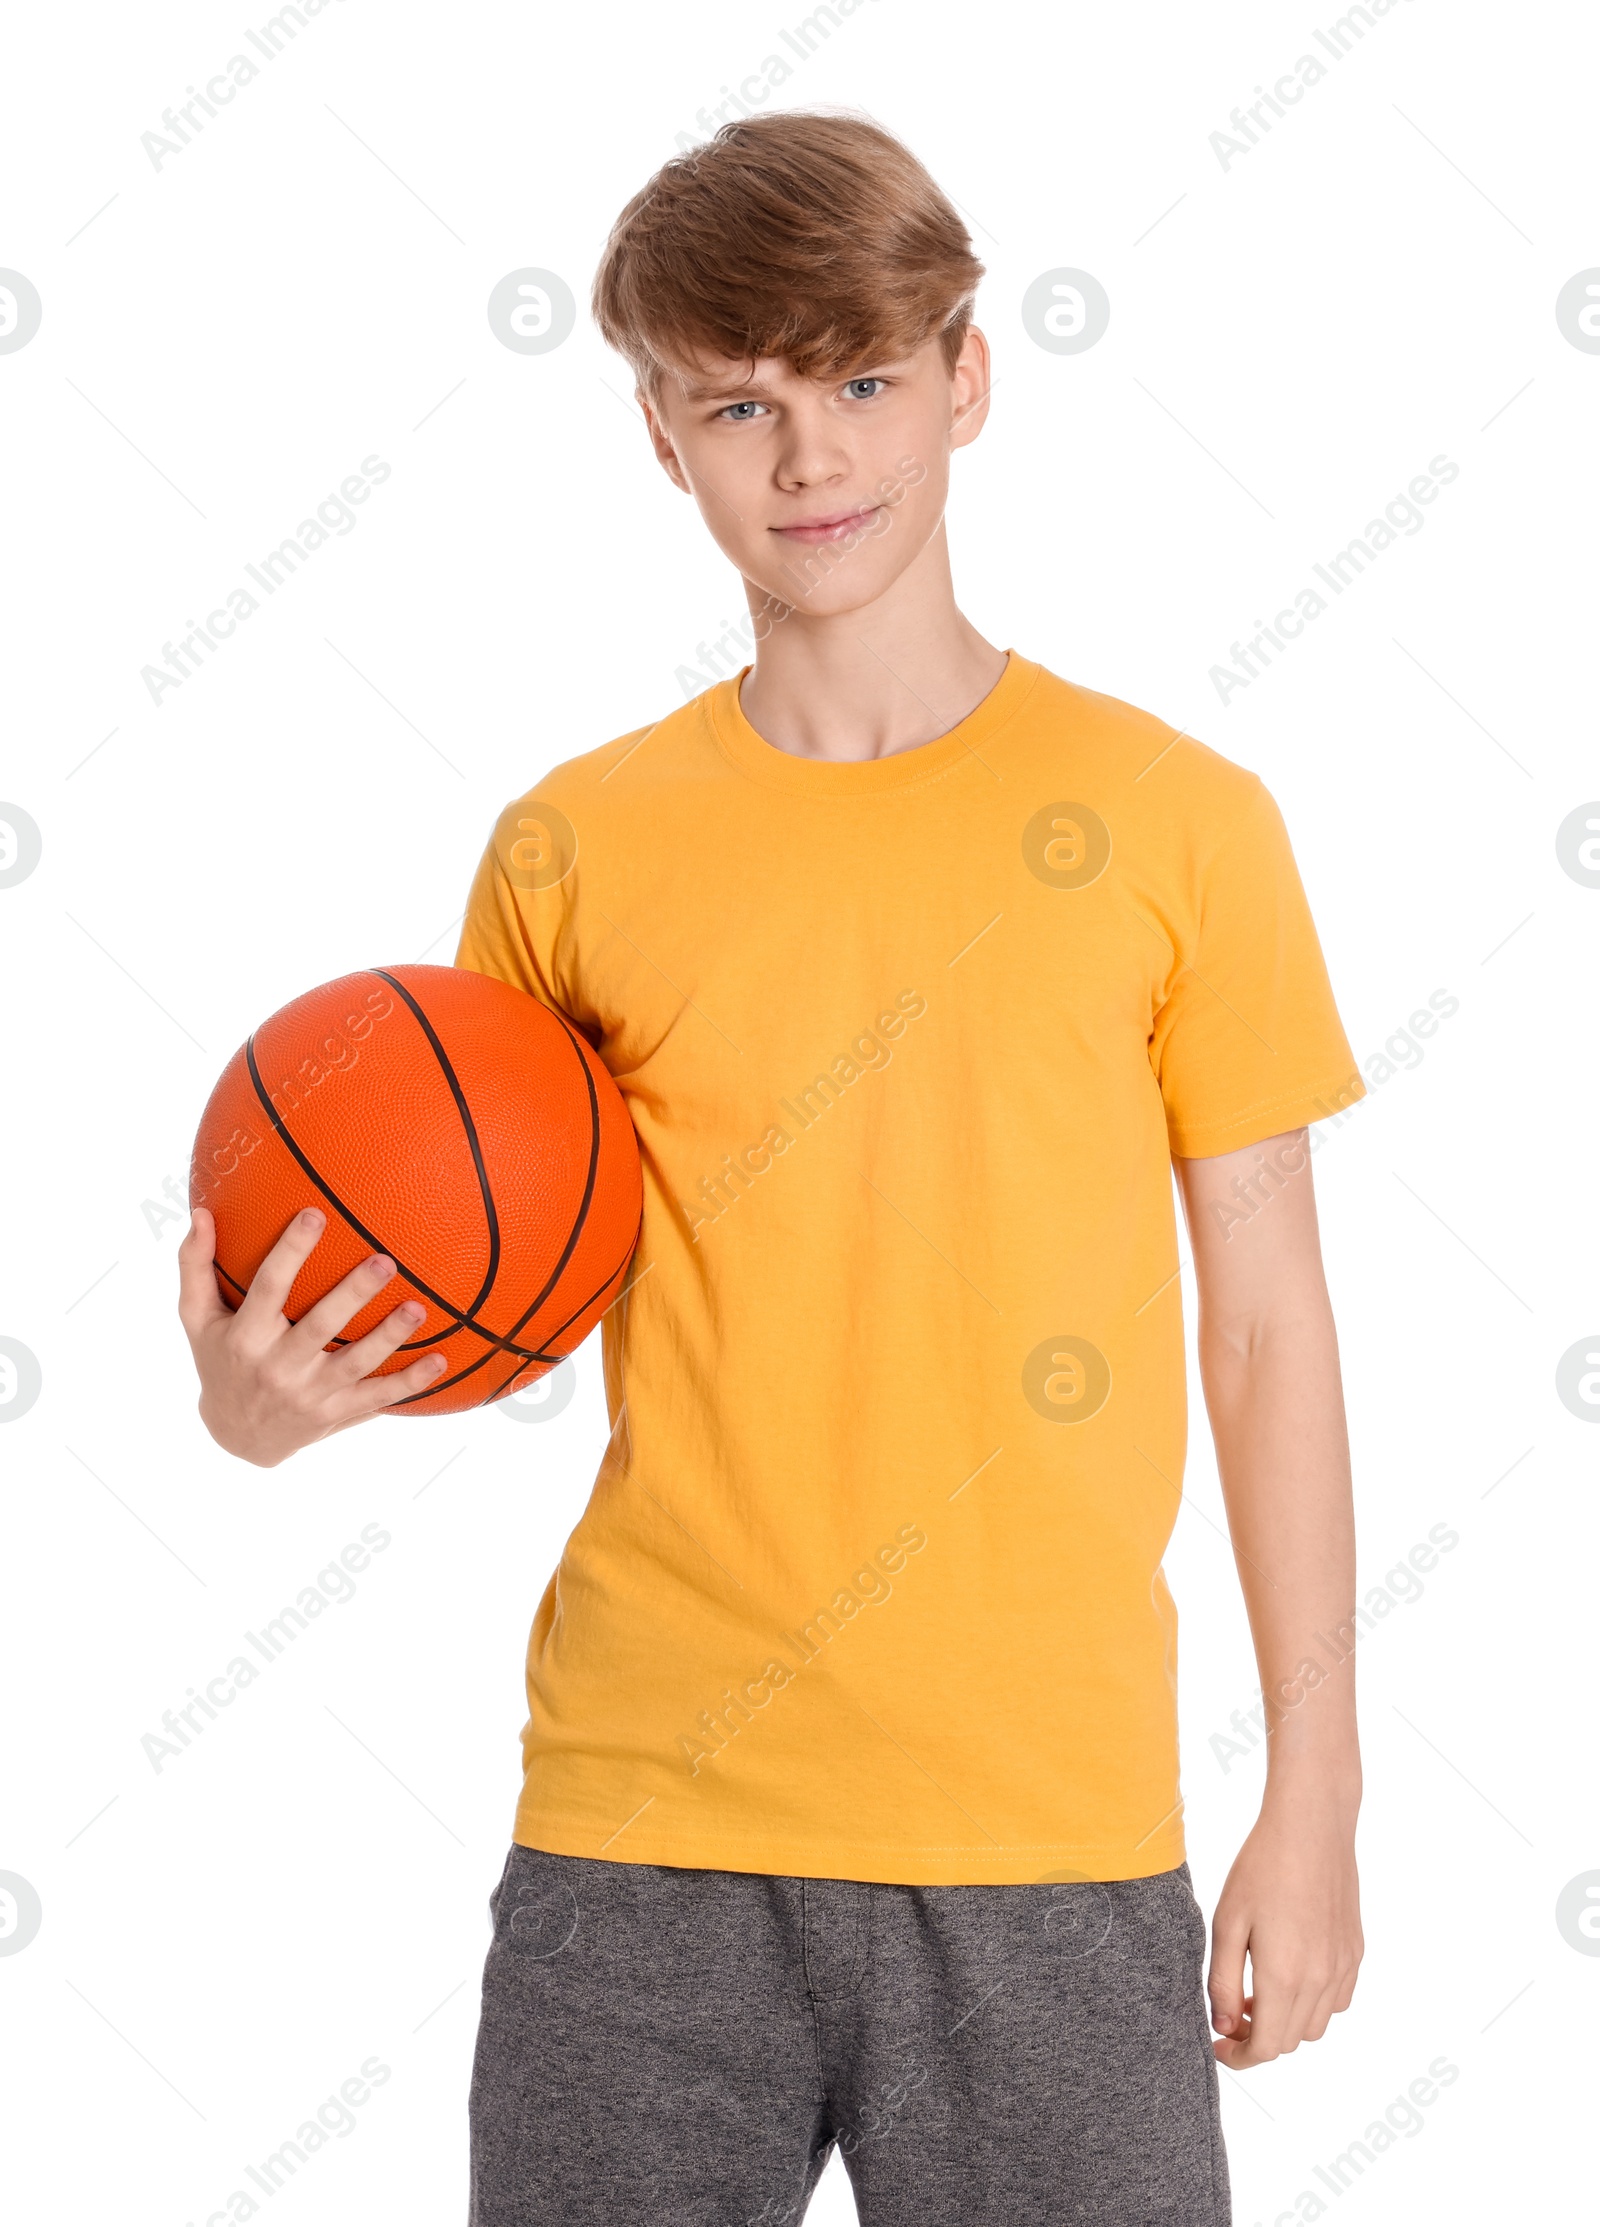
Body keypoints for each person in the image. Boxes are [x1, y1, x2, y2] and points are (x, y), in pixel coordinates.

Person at [180, 111, 1366, 2227]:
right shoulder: (569, 847)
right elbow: (480, 1270)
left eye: (858, 380)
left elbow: (1265, 1328)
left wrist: (1317, 1786)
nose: (807, 456)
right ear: (657, 431)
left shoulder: (1179, 824)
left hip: (1048, 1834)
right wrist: (254, 1411)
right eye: (736, 400)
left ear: (966, 377)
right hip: (640, 1838)